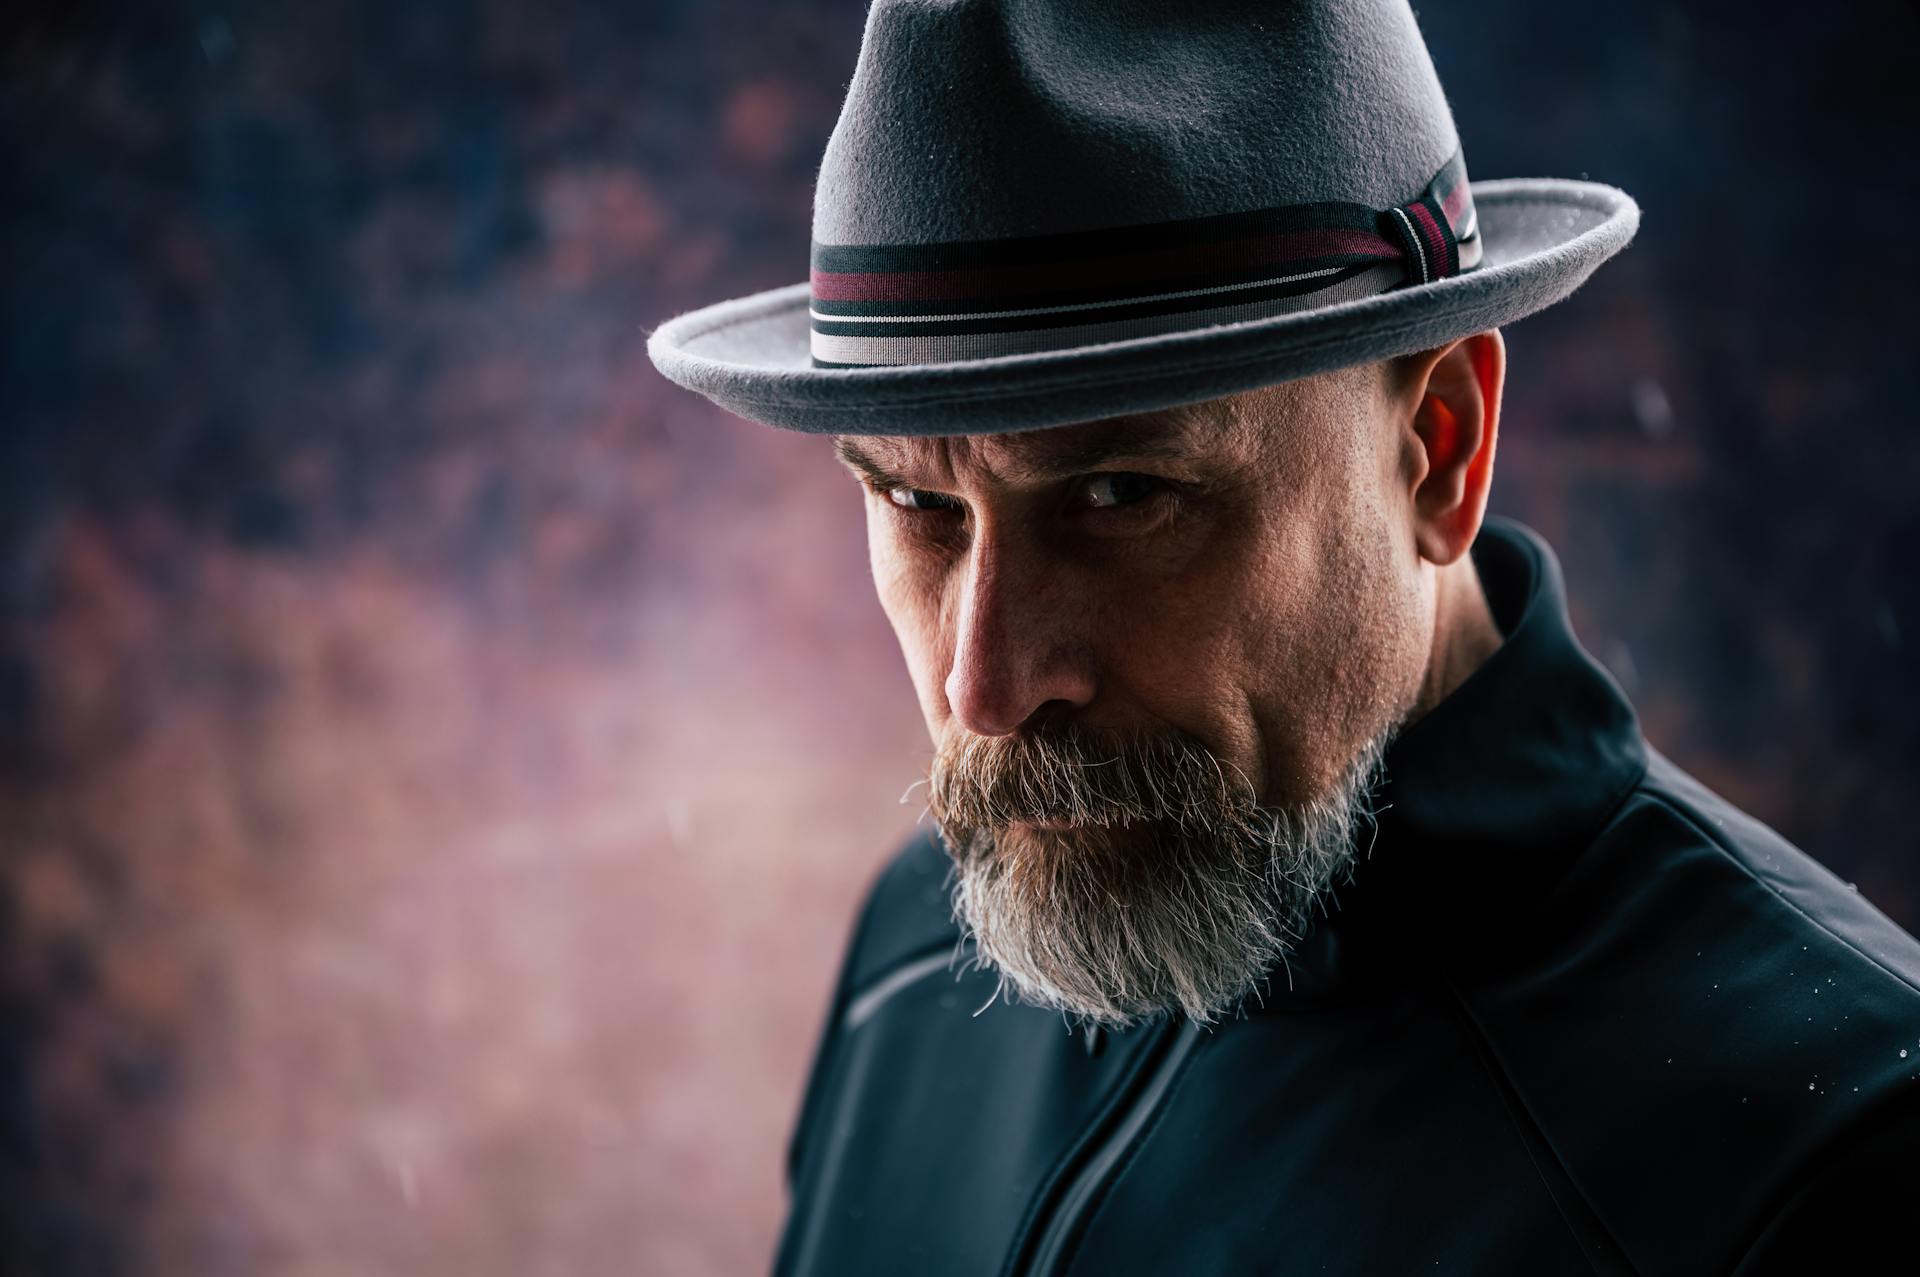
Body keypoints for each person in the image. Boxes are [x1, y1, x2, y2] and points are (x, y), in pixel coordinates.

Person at [649, 1, 1920, 1272]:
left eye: (1120, 493)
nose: (984, 689)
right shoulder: (917, 951)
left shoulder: (1834, 1153)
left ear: (1438, 448)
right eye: (917, 502)